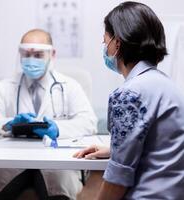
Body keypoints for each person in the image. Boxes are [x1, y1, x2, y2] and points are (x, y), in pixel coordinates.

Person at [74, 2, 184, 200]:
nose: (104, 48)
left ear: (117, 43)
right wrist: (114, 149)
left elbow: (118, 178)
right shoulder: (167, 86)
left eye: (105, 42)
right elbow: (159, 145)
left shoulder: (128, 94)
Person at [0, 29, 97, 200]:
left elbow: (88, 122)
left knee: (57, 193)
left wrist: (58, 129)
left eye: (38, 55)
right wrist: (9, 124)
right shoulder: (5, 86)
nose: (31, 60)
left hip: (55, 160)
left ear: (52, 54)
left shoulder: (70, 86)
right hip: (14, 158)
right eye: (26, 54)